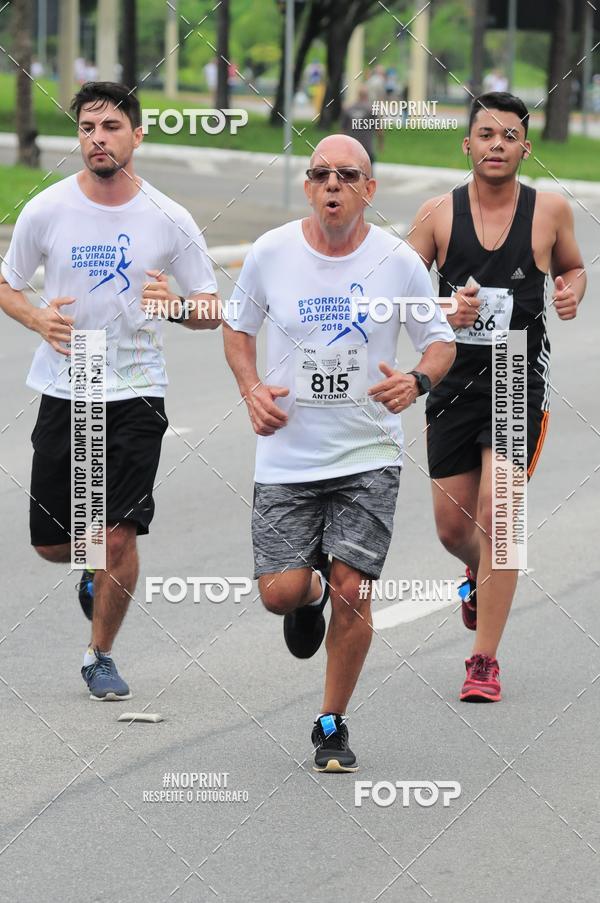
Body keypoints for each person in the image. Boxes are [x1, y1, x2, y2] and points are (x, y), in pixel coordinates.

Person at [223, 134, 455, 771]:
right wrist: (250, 390)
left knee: (355, 589)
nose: (333, 184)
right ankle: (308, 594)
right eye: (321, 173)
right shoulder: (271, 252)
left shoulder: (398, 261)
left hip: (368, 453)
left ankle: (331, 722)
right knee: (279, 592)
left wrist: (417, 380)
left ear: (368, 190)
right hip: (287, 455)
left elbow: (439, 342)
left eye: (347, 175)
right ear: (307, 186)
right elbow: (237, 329)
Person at [0, 82, 219, 701]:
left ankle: (99, 654)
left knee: (117, 532)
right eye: (88, 126)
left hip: (136, 388)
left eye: (112, 126)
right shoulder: (47, 209)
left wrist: (175, 307)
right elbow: (7, 284)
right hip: (67, 384)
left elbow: (211, 308)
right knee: (52, 542)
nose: (98, 137)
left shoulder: (168, 216)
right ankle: (90, 569)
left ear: (138, 134)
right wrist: (37, 319)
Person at [407, 91, 586, 703]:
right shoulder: (436, 214)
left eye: (509, 136)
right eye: (486, 134)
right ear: (468, 144)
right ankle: (476, 575)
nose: (497, 145)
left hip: (515, 375)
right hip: (452, 378)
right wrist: (440, 309)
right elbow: (397, 295)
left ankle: (483, 660)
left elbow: (573, 268)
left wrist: (571, 291)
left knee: (498, 516)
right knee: (454, 526)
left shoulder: (550, 211)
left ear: (524, 148)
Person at [341, 85, 384, 167]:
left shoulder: (349, 109)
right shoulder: (371, 110)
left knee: (352, 173)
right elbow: (379, 129)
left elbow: (342, 130)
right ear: (367, 95)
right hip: (367, 148)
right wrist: (380, 143)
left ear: (358, 95)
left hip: (351, 148)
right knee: (368, 173)